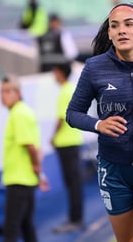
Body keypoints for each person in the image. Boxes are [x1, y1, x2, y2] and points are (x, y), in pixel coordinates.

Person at [66, 2, 133, 242]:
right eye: (115, 26)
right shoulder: (94, 68)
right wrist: (97, 125)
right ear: (110, 33)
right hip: (113, 171)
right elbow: (72, 113)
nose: (122, 30)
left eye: (129, 24)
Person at [0, 75, 47, 242]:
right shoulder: (24, 111)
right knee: (26, 225)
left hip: (19, 180)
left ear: (18, 92)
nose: (3, 96)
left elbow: (30, 147)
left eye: (7, 91)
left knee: (11, 227)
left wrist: (36, 167)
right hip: (26, 179)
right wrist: (39, 174)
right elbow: (36, 147)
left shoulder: (18, 113)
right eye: (1, 92)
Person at [50, 62, 84, 233]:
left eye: (55, 71)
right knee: (74, 182)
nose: (53, 75)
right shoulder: (71, 89)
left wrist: (53, 137)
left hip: (66, 143)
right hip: (73, 141)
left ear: (60, 72)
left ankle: (75, 219)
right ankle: (76, 217)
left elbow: (61, 118)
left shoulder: (65, 91)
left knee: (72, 183)